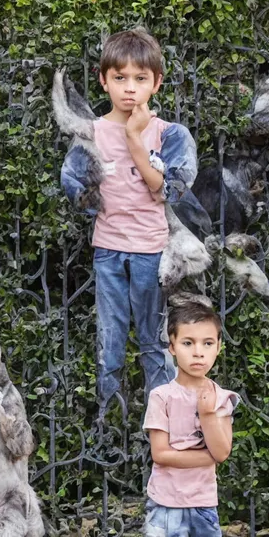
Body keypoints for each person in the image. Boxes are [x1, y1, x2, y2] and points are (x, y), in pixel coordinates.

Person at [57, 28, 197, 414]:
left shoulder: (169, 135)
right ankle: (108, 421)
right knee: (111, 338)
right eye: (119, 78)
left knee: (153, 340)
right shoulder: (92, 134)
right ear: (103, 80)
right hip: (109, 253)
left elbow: (170, 190)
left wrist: (135, 140)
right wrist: (93, 198)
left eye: (140, 78)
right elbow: (74, 182)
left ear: (157, 82)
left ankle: (163, 421)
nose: (129, 88)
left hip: (152, 254)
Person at [138, 295, 235, 537]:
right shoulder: (161, 396)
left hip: (203, 503)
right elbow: (161, 453)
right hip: (165, 501)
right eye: (189, 343)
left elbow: (222, 450)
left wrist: (208, 413)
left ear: (218, 347)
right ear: (172, 347)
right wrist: (205, 456)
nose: (198, 352)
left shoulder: (220, 397)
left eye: (208, 343)